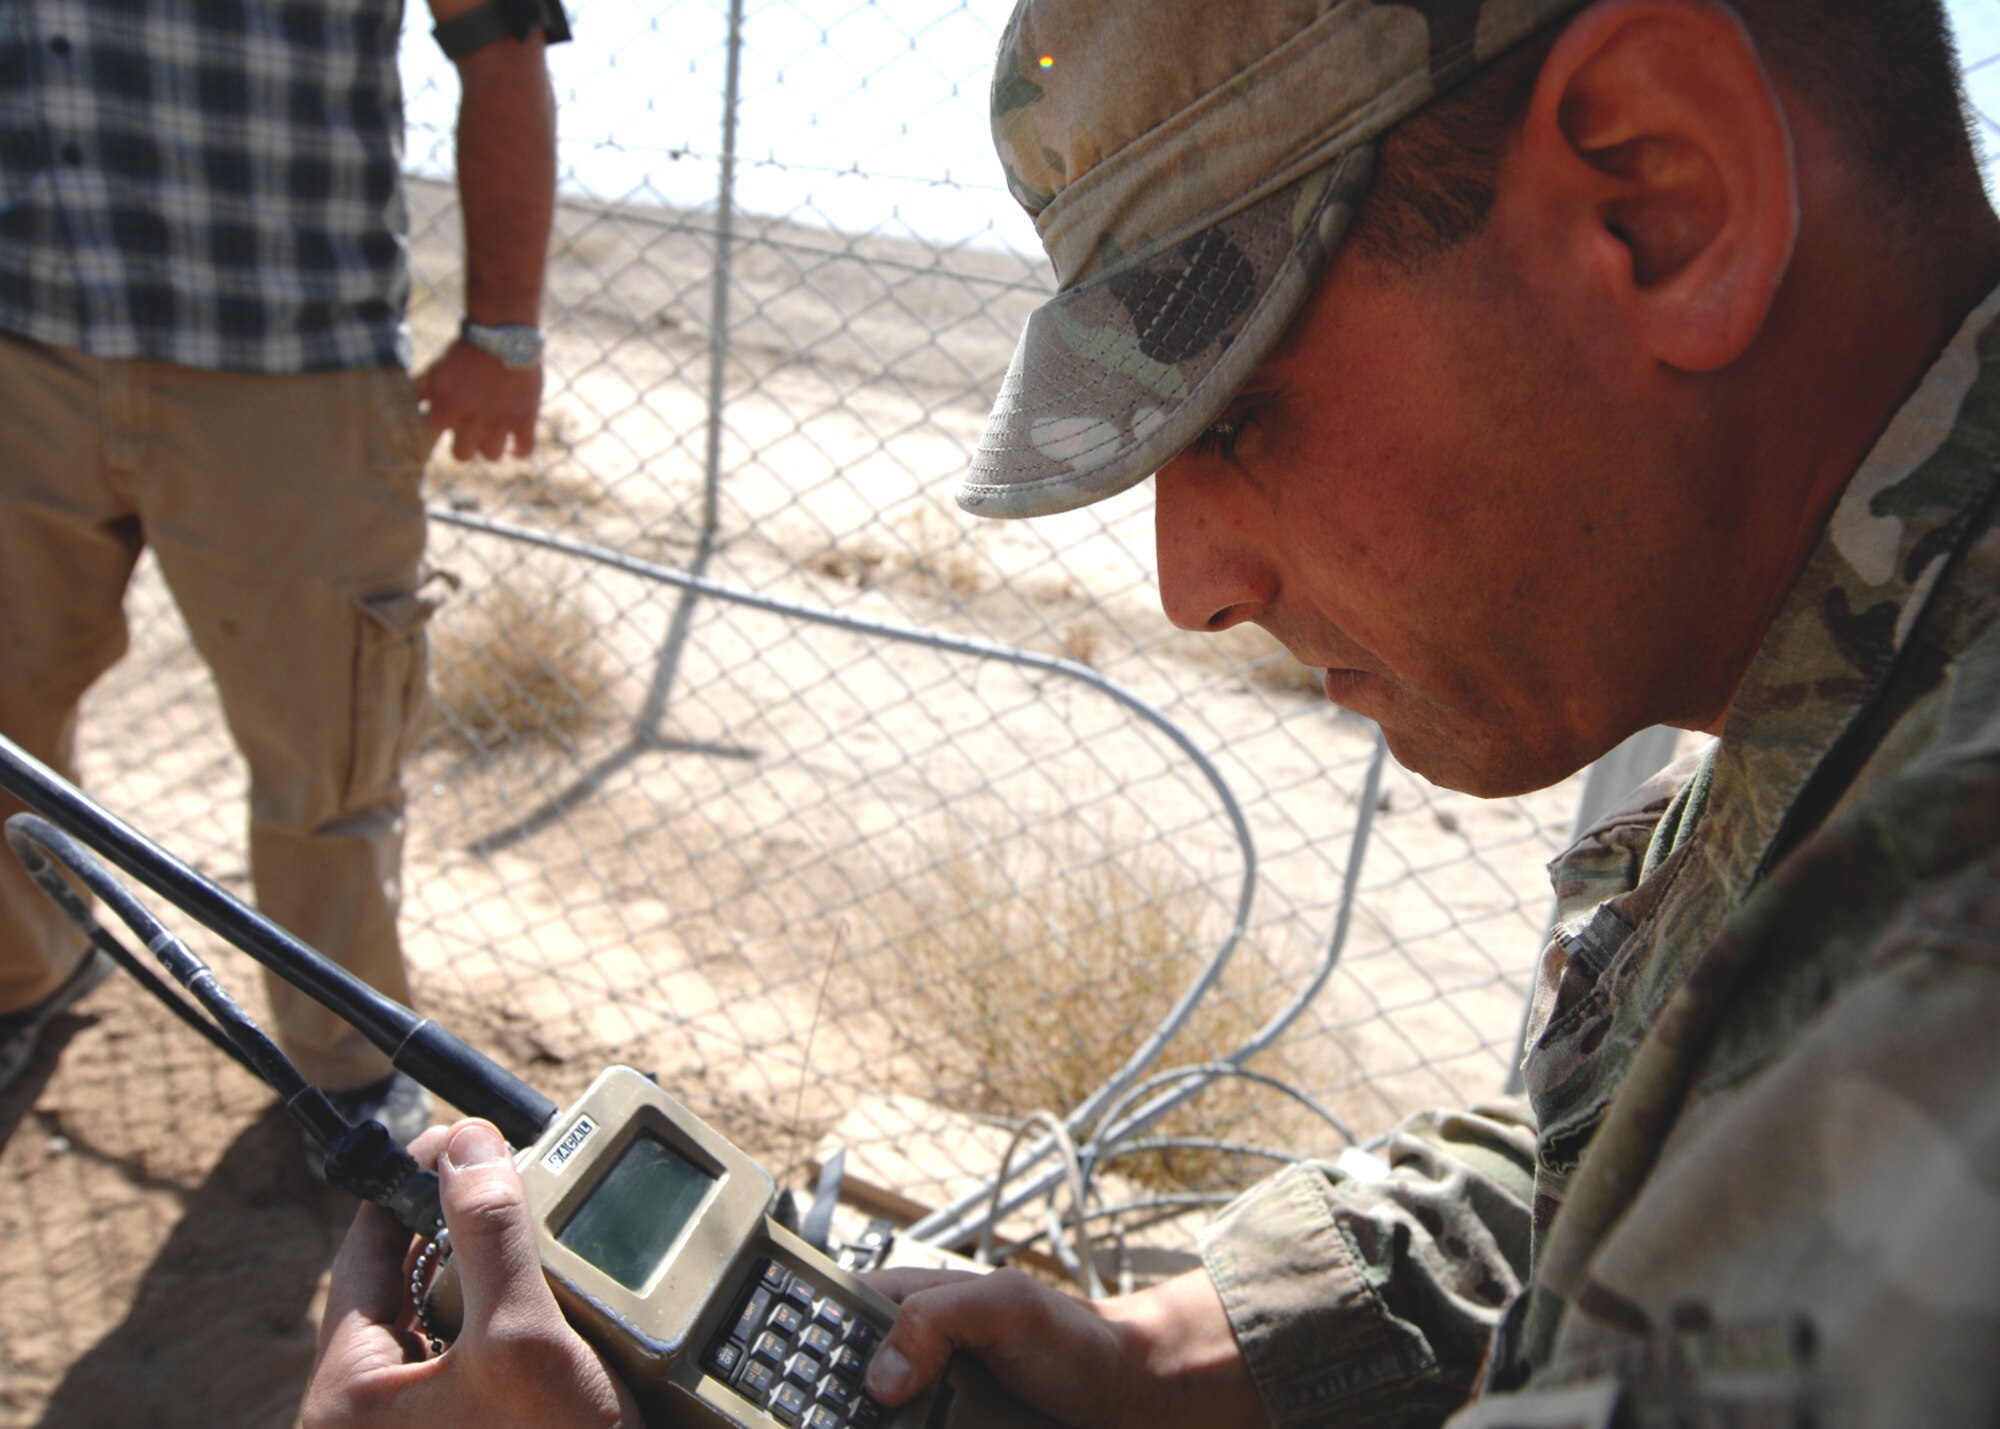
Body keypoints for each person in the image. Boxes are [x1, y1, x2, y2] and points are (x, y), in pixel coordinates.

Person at [303, 0, 2000, 1424]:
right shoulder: (1880, 687)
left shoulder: (1948, 935)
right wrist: (1193, 1349)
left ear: (1660, 199)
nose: (1189, 582)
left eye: (1242, 412)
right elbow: (1636, 1147)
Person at [0, 0, 562, 1167]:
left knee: (329, 752)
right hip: (21, 345)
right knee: (7, 711)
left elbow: (499, 34)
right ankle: (23, 971)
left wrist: (503, 331)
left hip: (290, 367)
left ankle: (347, 1062)